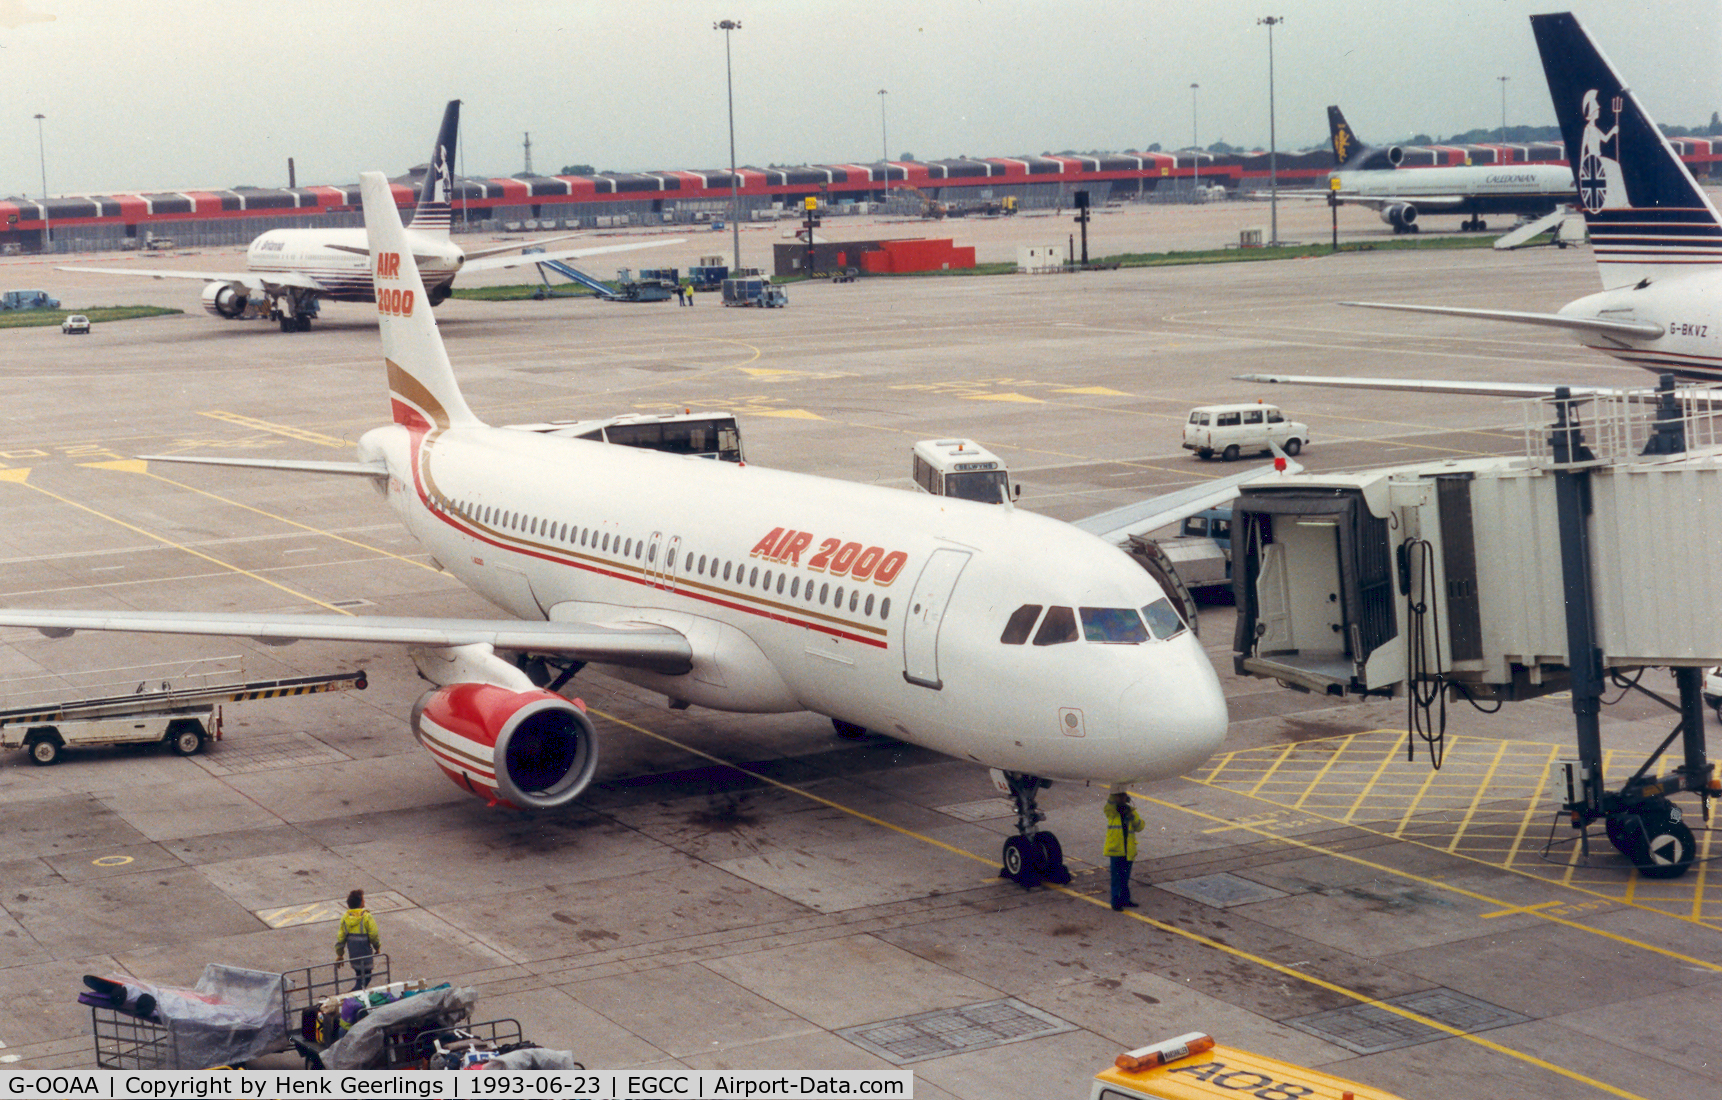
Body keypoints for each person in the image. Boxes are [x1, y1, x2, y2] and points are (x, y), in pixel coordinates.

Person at [1104, 791, 1144, 911]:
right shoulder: (1112, 813)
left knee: (1125, 878)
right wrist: (1113, 793)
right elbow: (1108, 806)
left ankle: (1125, 900)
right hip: (1117, 851)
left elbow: (1140, 827)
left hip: (1128, 851)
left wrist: (1132, 816)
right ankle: (1115, 902)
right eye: (1119, 797)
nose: (1122, 799)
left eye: (1123, 797)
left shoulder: (1130, 812)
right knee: (1116, 878)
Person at [334, 889, 381, 991]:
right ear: (360, 903)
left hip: (353, 952)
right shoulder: (367, 916)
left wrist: (340, 954)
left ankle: (356, 995)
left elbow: (341, 938)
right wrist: (377, 947)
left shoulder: (345, 917)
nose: (364, 902)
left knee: (359, 974)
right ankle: (351, 996)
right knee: (366, 977)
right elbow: (373, 934)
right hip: (365, 951)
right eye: (363, 900)